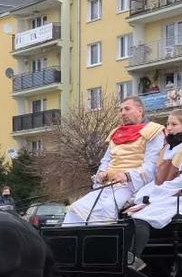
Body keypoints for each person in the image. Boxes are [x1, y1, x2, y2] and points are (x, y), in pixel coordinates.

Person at [124, 110, 182, 268]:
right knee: (129, 214)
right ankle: (130, 257)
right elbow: (158, 179)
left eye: (174, 124)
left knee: (142, 219)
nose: (169, 128)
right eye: (167, 124)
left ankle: (133, 259)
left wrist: (157, 194)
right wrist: (139, 197)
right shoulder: (169, 148)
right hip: (167, 196)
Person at [61, 96, 165, 226]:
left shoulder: (153, 131)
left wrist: (127, 176)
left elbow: (152, 165)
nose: (123, 113)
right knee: (76, 208)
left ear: (140, 110)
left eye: (127, 109)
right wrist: (102, 172)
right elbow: (106, 159)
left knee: (108, 207)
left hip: (132, 186)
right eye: (121, 110)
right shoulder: (117, 132)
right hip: (108, 185)